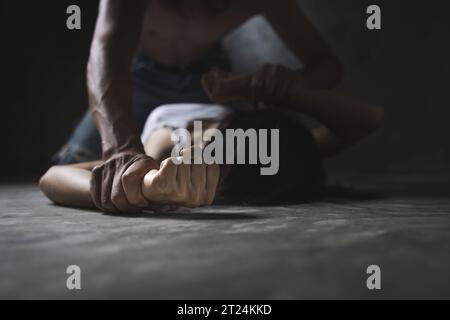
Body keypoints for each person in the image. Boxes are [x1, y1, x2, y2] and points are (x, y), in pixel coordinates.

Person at [55, 0, 344, 213]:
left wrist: (279, 85)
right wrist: (120, 150)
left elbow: (327, 67)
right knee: (79, 166)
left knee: (233, 166)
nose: (203, 11)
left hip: (205, 83)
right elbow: (107, 49)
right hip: (134, 78)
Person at [40, 66, 383, 210]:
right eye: (221, 139)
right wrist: (274, 90)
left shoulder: (164, 159)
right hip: (207, 84)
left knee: (68, 154)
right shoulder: (285, 148)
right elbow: (368, 119)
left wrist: (140, 188)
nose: (203, 145)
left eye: (211, 157)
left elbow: (52, 178)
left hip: (136, 98)